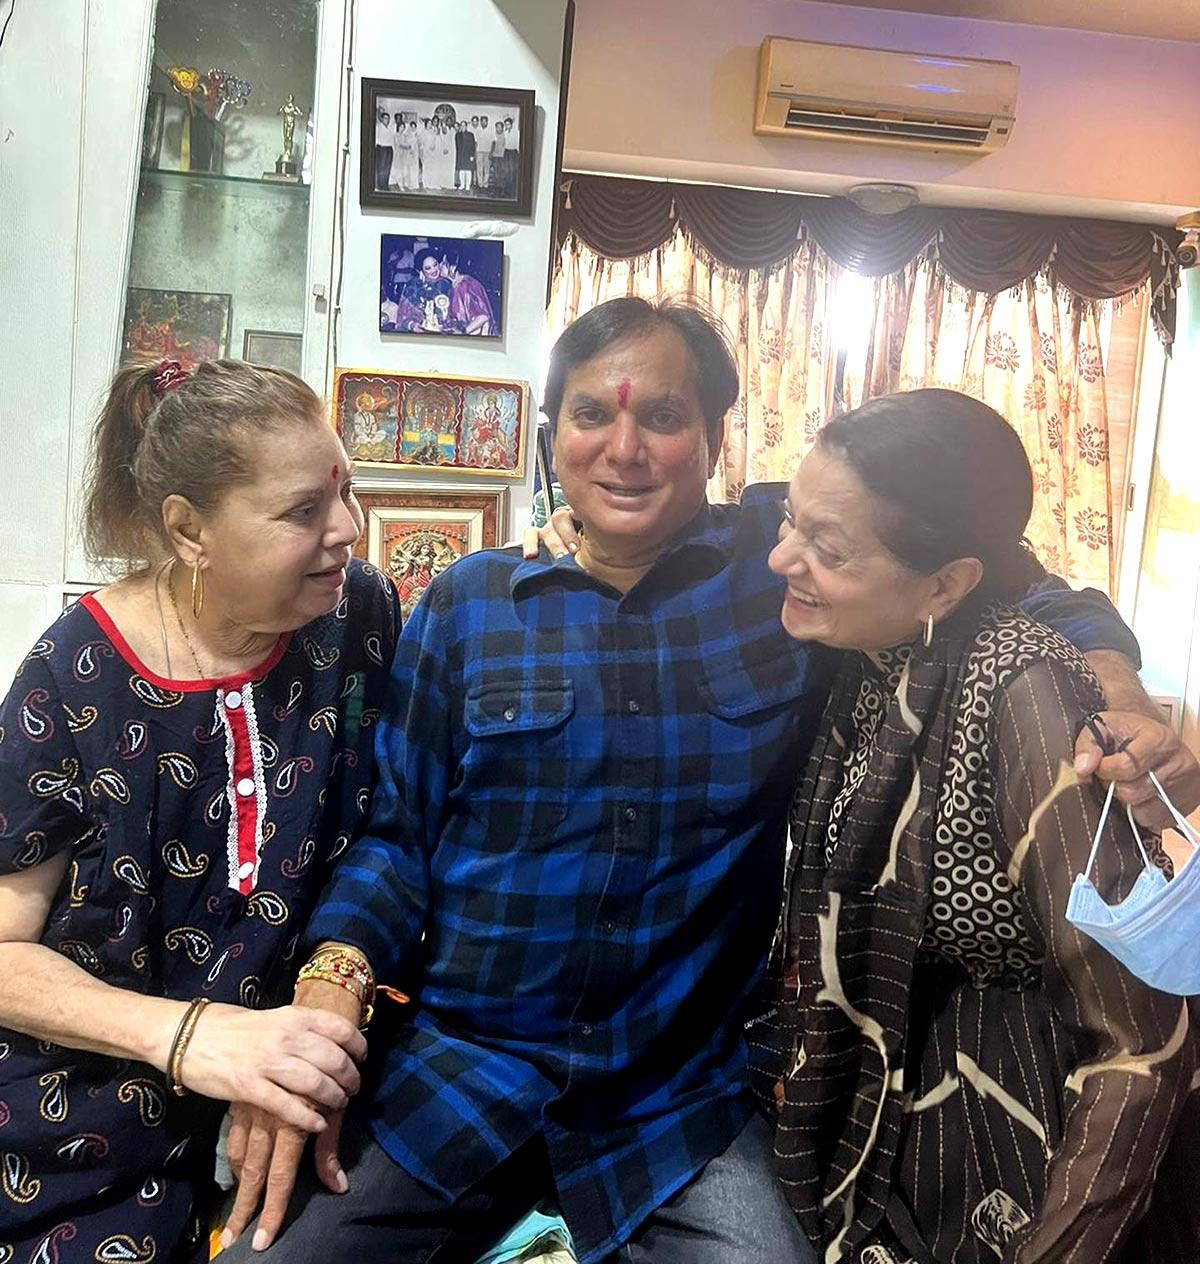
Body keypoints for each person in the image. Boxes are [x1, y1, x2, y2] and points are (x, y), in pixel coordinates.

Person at [218, 299, 1197, 1264]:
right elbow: (396, 835)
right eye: (592, 414)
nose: (625, 449)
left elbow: (1003, 573)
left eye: (664, 417)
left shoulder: (783, 570)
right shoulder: (468, 604)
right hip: (462, 1070)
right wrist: (331, 984)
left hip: (678, 1099)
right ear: (552, 435)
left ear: (718, 438)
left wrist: (1118, 693)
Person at [761, 389, 1198, 1263]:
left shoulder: (1024, 694)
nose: (780, 557)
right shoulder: (872, 654)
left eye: (826, 548)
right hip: (894, 1108)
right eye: (788, 520)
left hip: (1025, 1138)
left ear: (947, 583)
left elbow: (1144, 1039)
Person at [0, 358, 402, 1262]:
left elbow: (398, 832)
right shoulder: (71, 676)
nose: (348, 528)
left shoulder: (360, 617)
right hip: (84, 1111)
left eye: (346, 489)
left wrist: (575, 548)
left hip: (299, 1075)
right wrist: (193, 1038)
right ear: (189, 531)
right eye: (303, 510)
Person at [443, 249, 495, 335]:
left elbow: (484, 316)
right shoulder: (455, 286)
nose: (440, 266)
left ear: (453, 267)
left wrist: (463, 331)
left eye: (444, 264)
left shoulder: (465, 285)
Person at [373, 106, 391, 191]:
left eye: (388, 119)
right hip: (382, 149)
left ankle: (385, 185)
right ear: (382, 119)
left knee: (387, 168)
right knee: (381, 168)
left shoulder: (388, 128)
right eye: (385, 118)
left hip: (388, 149)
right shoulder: (378, 127)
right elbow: (375, 139)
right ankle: (380, 186)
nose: (387, 120)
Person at [455, 120, 476, 192]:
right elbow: (457, 146)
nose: (462, 127)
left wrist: (472, 155)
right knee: (461, 171)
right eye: (461, 125)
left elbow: (473, 146)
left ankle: (467, 185)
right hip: (460, 155)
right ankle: (462, 185)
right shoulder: (457, 135)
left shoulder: (471, 135)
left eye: (464, 125)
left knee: (468, 171)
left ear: (466, 127)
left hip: (468, 155)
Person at [474, 113, 491, 189]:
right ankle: (480, 184)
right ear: (480, 122)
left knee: (486, 169)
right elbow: (475, 142)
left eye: (485, 121)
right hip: (479, 152)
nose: (484, 123)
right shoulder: (477, 131)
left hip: (487, 152)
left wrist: (491, 152)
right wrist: (475, 152)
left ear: (487, 122)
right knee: (479, 168)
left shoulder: (490, 130)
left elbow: (493, 142)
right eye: (482, 121)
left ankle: (485, 184)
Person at [490, 120, 507, 197]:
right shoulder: (494, 134)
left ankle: (502, 190)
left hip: (503, 157)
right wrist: (491, 153)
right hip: (495, 156)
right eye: (497, 127)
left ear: (502, 128)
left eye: (499, 127)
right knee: (495, 174)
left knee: (502, 173)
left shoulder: (505, 135)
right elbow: (493, 144)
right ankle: (495, 190)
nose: (498, 128)